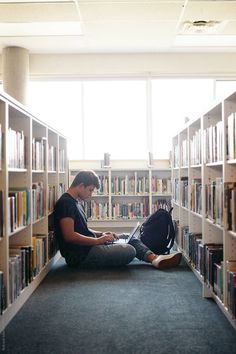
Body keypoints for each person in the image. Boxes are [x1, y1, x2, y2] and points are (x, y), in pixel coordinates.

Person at [54, 170, 182, 269]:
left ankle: (154, 259)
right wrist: (98, 241)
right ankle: (154, 259)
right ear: (81, 185)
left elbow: (82, 229)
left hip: (88, 247)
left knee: (127, 236)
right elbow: (69, 236)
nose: (90, 194)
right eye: (90, 190)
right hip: (80, 255)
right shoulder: (66, 203)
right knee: (129, 250)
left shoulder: (75, 201)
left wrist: (102, 234)